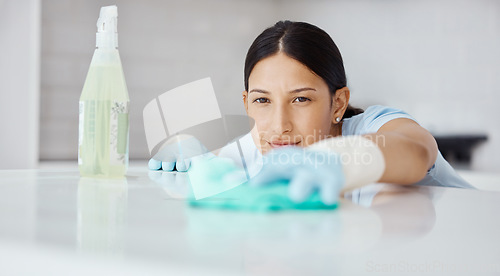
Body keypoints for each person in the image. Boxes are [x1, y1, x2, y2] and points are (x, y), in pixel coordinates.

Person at [150, 20, 472, 205]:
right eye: (263, 101)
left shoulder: (371, 126)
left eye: (301, 100)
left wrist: (341, 160)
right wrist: (182, 147)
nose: (280, 125)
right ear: (247, 104)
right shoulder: (265, 143)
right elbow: (208, 160)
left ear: (338, 103)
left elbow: (416, 153)